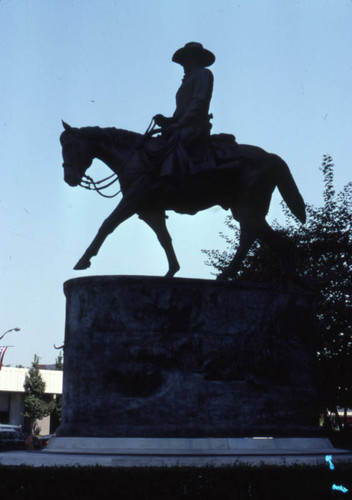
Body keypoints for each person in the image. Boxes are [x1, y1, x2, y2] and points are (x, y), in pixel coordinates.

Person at [152, 42, 216, 182]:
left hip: (195, 127)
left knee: (176, 140)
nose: (183, 65)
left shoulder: (204, 74)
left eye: (185, 61)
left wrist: (179, 124)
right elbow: (181, 111)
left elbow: (199, 101)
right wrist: (168, 121)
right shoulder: (187, 81)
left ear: (194, 59)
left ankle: (169, 180)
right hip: (184, 124)